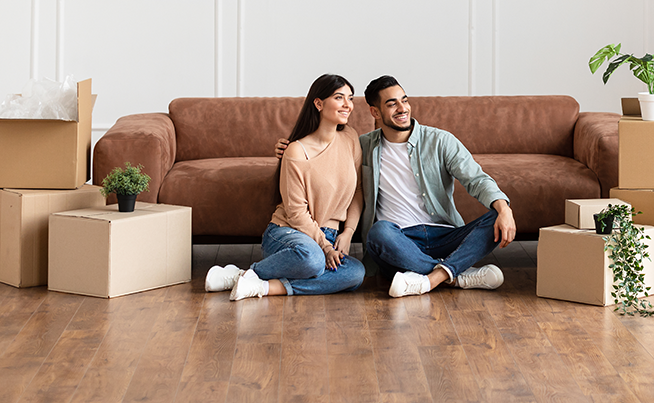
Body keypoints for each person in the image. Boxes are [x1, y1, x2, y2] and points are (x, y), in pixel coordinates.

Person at [278, 75, 517, 298]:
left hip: (444, 235)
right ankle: (456, 273)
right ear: (375, 112)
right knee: (379, 231)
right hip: (397, 241)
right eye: (392, 104)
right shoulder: (362, 145)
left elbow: (477, 179)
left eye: (404, 100)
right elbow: (324, 153)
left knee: (496, 214)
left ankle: (433, 278)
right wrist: (288, 148)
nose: (402, 109)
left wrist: (503, 208)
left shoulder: (440, 141)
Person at [205, 74, 365, 300]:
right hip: (290, 233)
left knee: (355, 273)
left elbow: (358, 190)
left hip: (330, 235)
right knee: (312, 260)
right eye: (339, 97)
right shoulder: (296, 150)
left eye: (350, 98)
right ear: (318, 103)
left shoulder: (350, 137)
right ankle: (247, 274)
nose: (348, 104)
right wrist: (325, 247)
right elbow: (296, 213)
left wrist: (348, 232)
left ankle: (261, 285)